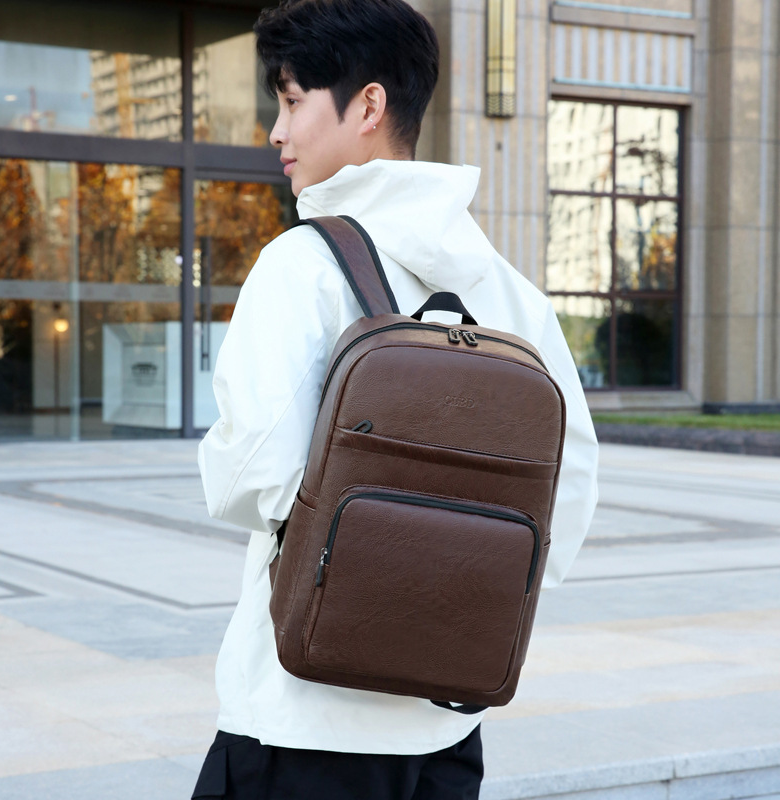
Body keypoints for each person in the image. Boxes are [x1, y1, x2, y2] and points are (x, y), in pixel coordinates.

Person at [192, 0, 599, 798]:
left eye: (292, 100)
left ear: (368, 105)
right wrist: (453, 582)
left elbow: (250, 471)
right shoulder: (511, 295)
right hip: (447, 726)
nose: (277, 131)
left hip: (301, 722)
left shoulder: (301, 265)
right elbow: (570, 491)